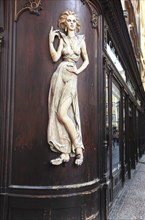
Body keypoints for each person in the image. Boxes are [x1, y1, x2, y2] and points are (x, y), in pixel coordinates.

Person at [47, 10, 89, 166]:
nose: (71, 23)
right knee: (58, 112)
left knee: (62, 113)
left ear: (76, 24)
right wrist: (51, 42)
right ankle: (65, 151)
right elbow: (55, 58)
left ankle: (78, 148)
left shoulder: (81, 40)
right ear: (65, 24)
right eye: (69, 21)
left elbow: (86, 60)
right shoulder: (63, 39)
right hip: (59, 75)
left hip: (71, 76)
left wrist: (78, 71)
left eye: (73, 21)